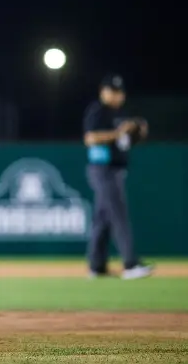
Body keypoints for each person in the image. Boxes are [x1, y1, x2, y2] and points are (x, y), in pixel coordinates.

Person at [82, 73, 153, 280]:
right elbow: (91, 138)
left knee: (103, 218)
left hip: (116, 169)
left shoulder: (122, 113)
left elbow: (126, 140)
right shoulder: (98, 111)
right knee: (118, 214)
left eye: (119, 91)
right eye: (113, 91)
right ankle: (130, 264)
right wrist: (118, 132)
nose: (117, 95)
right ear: (103, 91)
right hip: (102, 169)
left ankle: (96, 266)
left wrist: (138, 132)